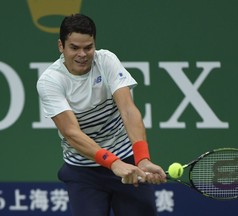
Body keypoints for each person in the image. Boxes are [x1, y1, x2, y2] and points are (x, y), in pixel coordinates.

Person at [37, 13, 166, 216]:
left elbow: (128, 110)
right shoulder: (50, 81)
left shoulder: (106, 60)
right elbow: (71, 133)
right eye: (74, 47)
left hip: (127, 159)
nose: (82, 54)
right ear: (61, 46)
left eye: (88, 47)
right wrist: (113, 163)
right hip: (84, 172)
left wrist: (142, 159)